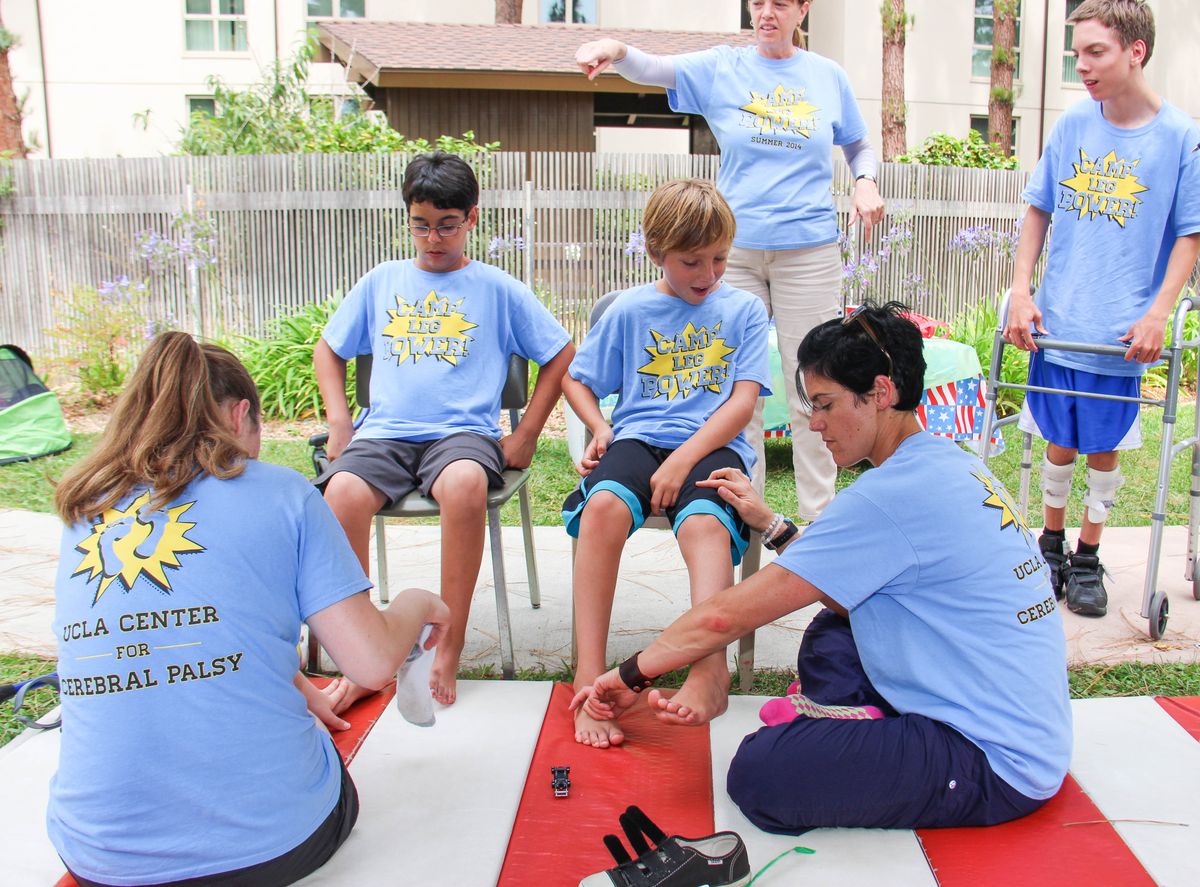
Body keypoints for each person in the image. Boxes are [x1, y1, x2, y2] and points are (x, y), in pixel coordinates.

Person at [572, 303, 1072, 833]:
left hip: (992, 760)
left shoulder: (890, 496)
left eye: (827, 404)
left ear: (881, 393)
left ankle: (850, 729)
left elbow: (724, 618)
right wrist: (771, 524)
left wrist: (628, 676)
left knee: (760, 772)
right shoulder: (951, 462)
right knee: (834, 629)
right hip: (1016, 717)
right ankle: (859, 723)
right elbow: (840, 585)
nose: (814, 422)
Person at [49, 333, 450, 886]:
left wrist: (291, 683)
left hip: (98, 856)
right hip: (266, 849)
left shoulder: (85, 505)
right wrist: (416, 603)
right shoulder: (284, 494)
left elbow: (185, 626)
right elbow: (372, 663)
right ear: (242, 416)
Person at [575, 0, 885, 521]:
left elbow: (857, 144)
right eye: (757, 3)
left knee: (813, 382)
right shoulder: (723, 67)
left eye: (779, 3)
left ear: (802, 9)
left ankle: (819, 520)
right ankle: (745, 516)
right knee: (736, 391)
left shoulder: (827, 75)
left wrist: (866, 180)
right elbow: (652, 67)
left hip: (808, 249)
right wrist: (615, 50)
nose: (765, 13)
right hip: (729, 253)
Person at [314, 151, 574, 705]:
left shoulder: (497, 288)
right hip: (384, 433)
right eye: (421, 225)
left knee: (464, 485)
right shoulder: (381, 282)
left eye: (447, 226)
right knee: (341, 492)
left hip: (462, 434)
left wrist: (526, 432)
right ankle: (363, 656)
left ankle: (446, 642)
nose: (433, 239)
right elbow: (328, 350)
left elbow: (560, 353)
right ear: (408, 219)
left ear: (472, 219)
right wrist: (340, 420)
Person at [1004, 0, 1200, 618]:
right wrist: (1020, 289)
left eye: (1095, 52)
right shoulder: (1071, 125)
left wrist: (1158, 313)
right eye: (1077, 52)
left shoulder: (1180, 137)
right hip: (1057, 325)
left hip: (1122, 334)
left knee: (1103, 447)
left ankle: (1089, 555)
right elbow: (1038, 207)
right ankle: (1052, 543)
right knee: (1057, 442)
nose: (1082, 65)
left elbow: (1190, 234)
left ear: (1135, 51)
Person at [563, 179, 770, 749]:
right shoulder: (630, 309)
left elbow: (743, 401)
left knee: (704, 524)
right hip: (637, 439)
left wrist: (683, 459)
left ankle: (708, 668)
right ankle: (587, 677)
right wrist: (602, 427)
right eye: (691, 262)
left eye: (720, 259)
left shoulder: (745, 309)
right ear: (656, 252)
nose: (708, 274)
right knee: (603, 509)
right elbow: (575, 381)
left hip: (711, 444)